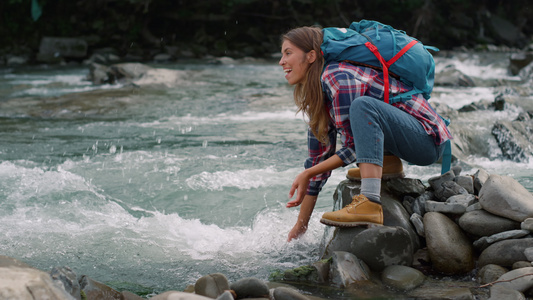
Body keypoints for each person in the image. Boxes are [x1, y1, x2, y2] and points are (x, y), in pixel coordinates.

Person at [279, 26, 452, 242]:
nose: (281, 61)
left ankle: (370, 200)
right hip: (406, 138)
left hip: (427, 141)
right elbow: (318, 159)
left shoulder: (337, 77)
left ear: (311, 56)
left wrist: (306, 174)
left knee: (363, 107)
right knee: (363, 110)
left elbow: (352, 147)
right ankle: (388, 165)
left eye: (288, 53)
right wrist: (300, 226)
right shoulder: (317, 93)